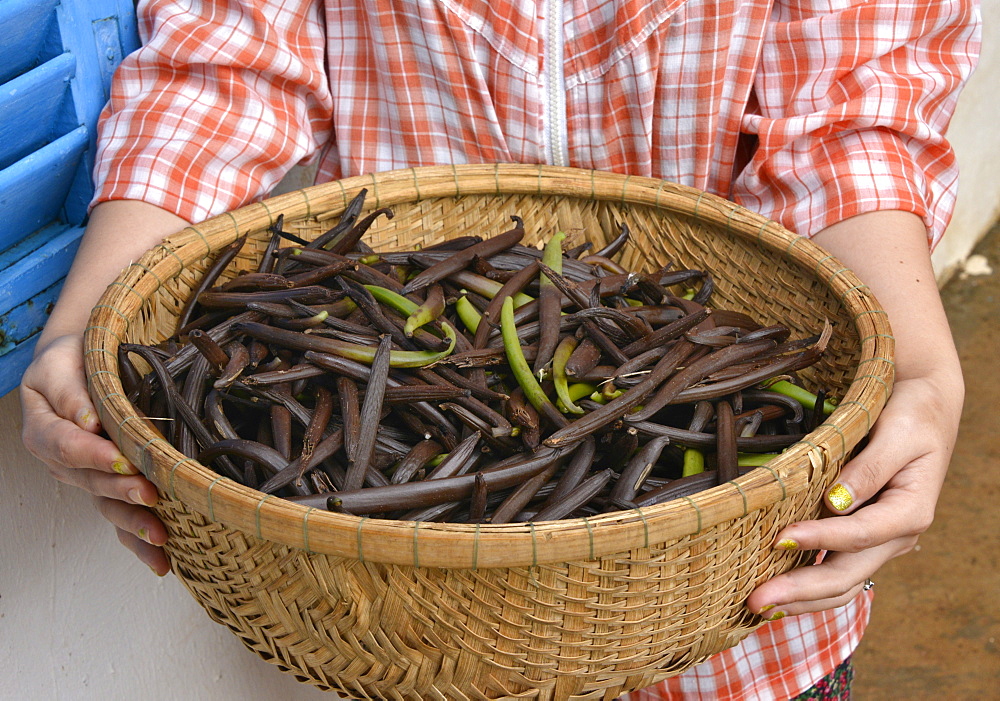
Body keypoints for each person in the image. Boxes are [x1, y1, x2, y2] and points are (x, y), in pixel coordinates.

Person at [19, 0, 979, 698]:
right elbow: (225, 71)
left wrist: (922, 370)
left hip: (740, 599)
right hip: (403, 620)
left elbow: (855, 118)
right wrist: (90, 321)